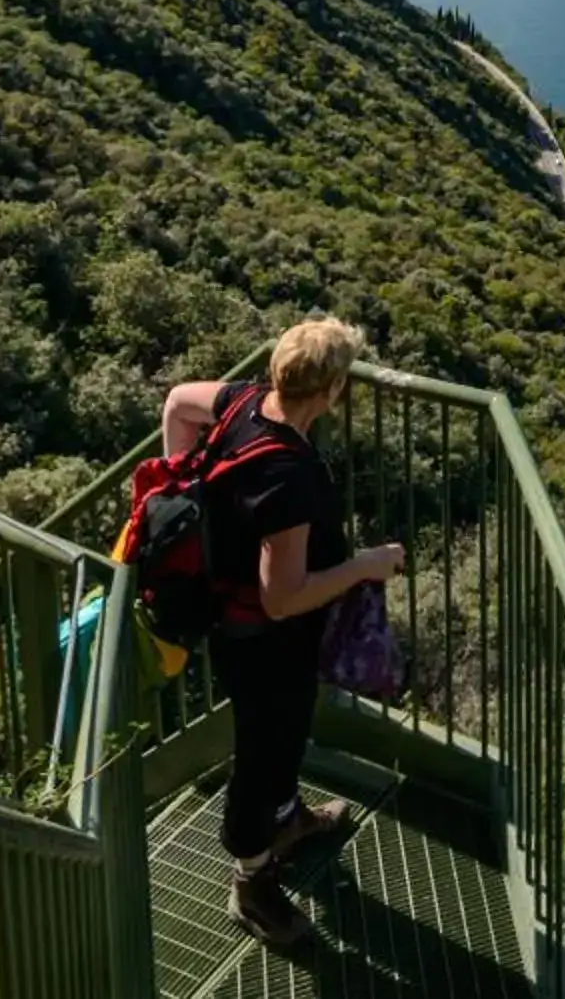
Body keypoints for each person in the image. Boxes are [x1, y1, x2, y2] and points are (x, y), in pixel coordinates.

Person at [159, 318, 404, 950]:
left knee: (285, 735)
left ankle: (287, 820)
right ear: (332, 390)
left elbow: (177, 404)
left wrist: (180, 480)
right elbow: (283, 595)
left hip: (244, 624)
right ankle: (252, 880)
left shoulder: (241, 400)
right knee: (263, 753)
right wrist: (364, 567)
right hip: (262, 638)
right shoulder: (285, 478)